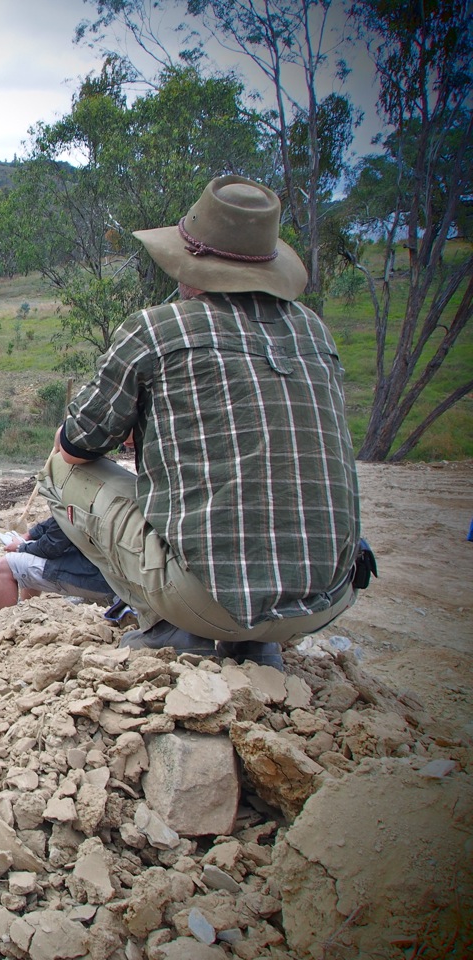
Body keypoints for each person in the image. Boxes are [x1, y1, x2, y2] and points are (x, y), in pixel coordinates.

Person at [40, 176, 361, 668]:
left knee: (58, 472)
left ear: (190, 262)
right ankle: (256, 646)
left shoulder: (158, 327)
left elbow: (78, 445)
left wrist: (133, 423)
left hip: (209, 601)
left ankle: (167, 625)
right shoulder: (314, 331)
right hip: (326, 600)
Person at [0, 516, 114, 612]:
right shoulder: (93, 488)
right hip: (111, 570)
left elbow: (51, 547)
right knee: (32, 549)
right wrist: (29, 535)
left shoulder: (82, 491)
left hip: (105, 579)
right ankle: (27, 610)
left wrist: (21, 547)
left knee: (5, 566)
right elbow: (59, 519)